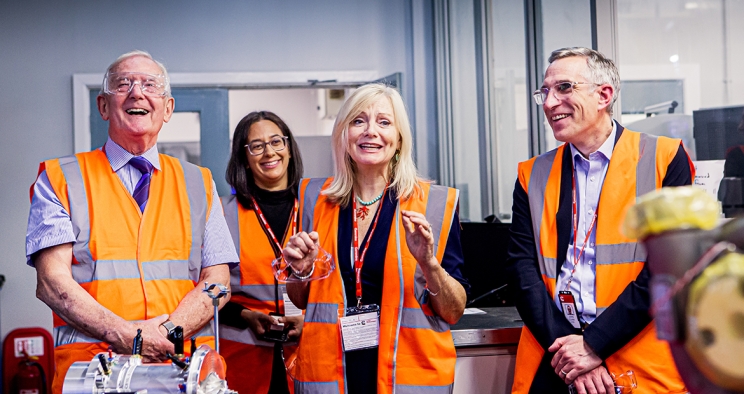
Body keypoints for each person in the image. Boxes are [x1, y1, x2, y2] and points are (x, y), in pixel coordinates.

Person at [26, 50, 238, 394]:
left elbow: (218, 281)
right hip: (91, 373)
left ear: (167, 108)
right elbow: (51, 282)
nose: (137, 92)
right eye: (123, 84)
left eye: (150, 85)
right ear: (104, 106)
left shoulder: (199, 182)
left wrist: (167, 332)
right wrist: (130, 336)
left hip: (181, 371)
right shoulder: (60, 178)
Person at [506, 47, 694, 394]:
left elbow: (670, 269)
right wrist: (570, 350)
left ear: (604, 95)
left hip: (636, 356)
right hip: (555, 358)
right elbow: (522, 269)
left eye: (563, 88)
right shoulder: (531, 174)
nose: (549, 102)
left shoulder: (665, 158)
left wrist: (594, 344)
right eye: (544, 92)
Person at [280, 83, 469, 393]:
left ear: (398, 139)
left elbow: (453, 311)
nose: (370, 131)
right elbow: (302, 299)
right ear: (344, 133)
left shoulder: (433, 203)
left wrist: (428, 263)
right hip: (331, 375)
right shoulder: (315, 197)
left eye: (384, 122)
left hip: (406, 378)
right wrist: (301, 270)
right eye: (358, 121)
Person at [219, 111, 305, 394]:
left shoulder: (319, 208)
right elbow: (201, 292)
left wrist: (312, 318)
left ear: (289, 149)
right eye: (256, 146)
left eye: (277, 142)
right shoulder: (221, 213)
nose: (269, 152)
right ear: (244, 157)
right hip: (243, 363)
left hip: (308, 360)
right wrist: (244, 315)